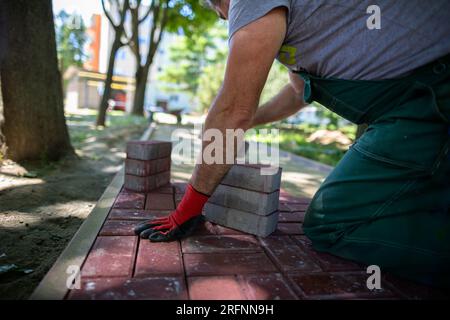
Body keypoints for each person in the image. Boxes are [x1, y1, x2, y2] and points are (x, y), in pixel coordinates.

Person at [135, 0, 450, 288]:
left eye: (221, 15)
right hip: (409, 105)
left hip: (432, 98)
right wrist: (248, 121)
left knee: (334, 223)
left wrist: (188, 209)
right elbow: (297, 92)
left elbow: (232, 110)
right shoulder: (302, 28)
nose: (227, 22)